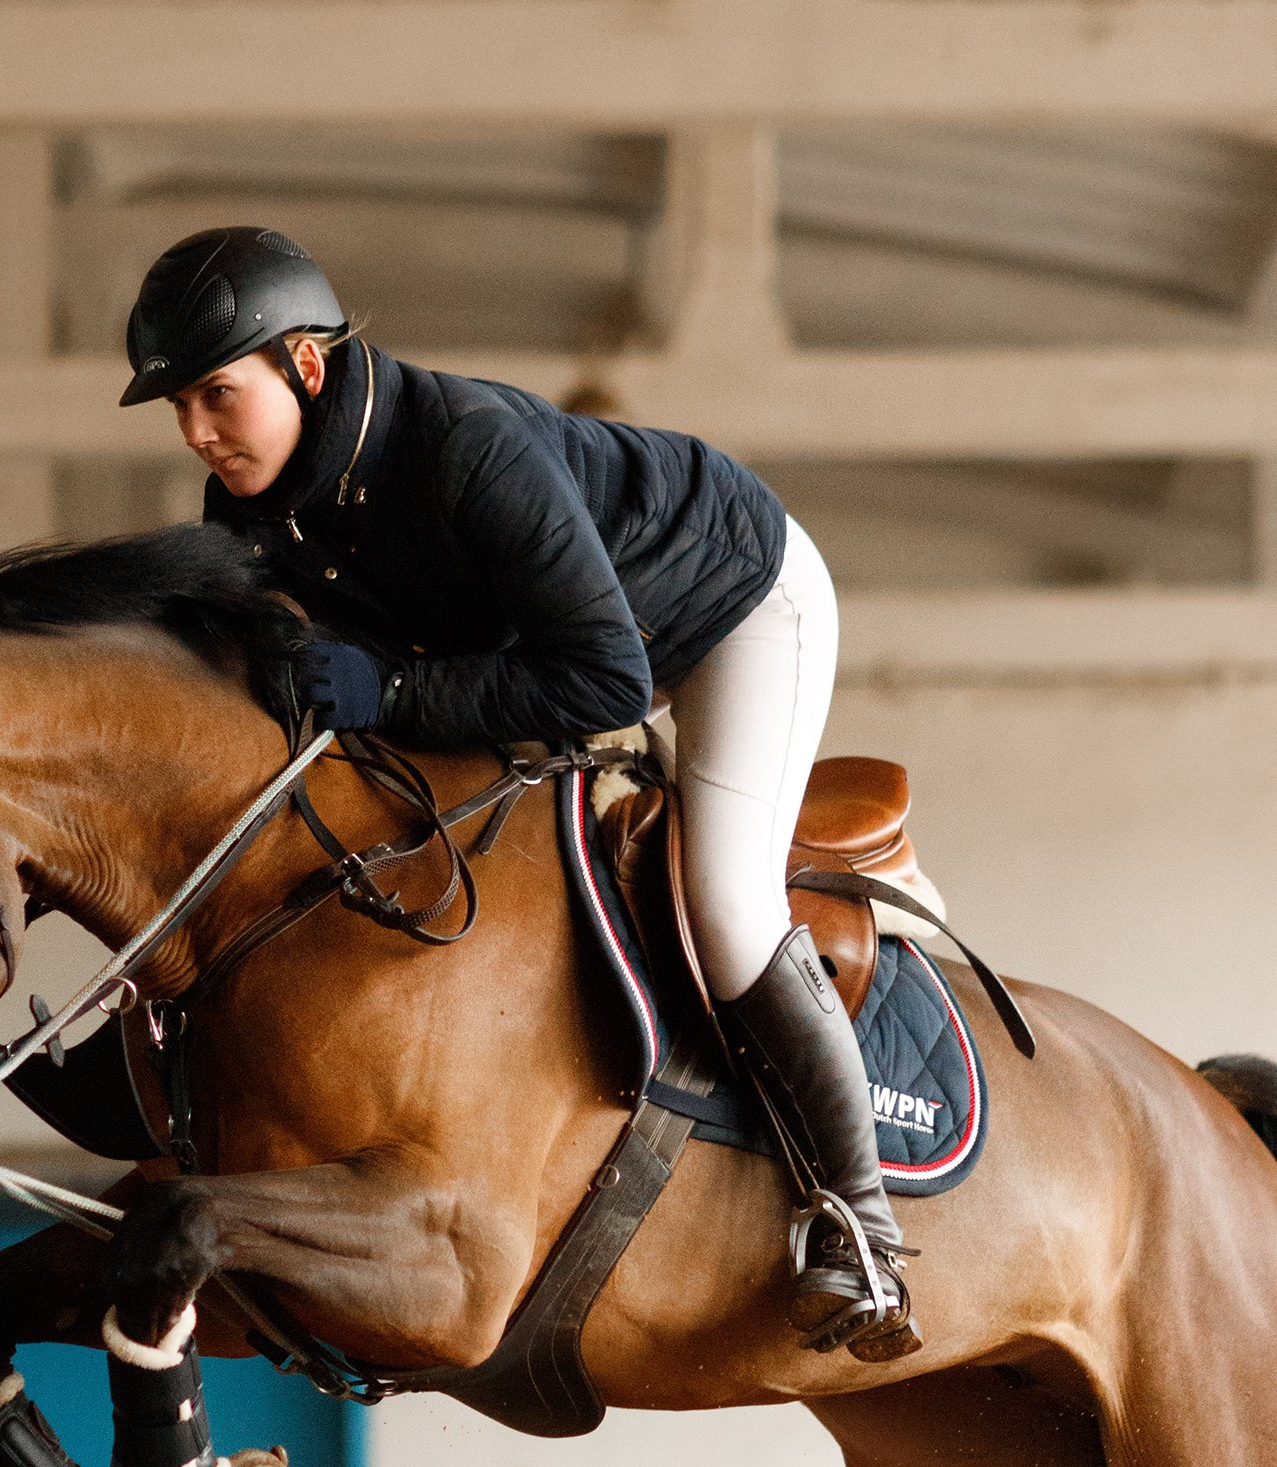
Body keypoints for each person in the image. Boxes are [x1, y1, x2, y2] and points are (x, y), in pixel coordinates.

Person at [118, 227, 914, 1360]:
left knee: (724, 898)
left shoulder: (464, 449)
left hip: (727, 608)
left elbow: (606, 683)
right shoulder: (245, 511)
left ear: (305, 364)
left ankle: (861, 1228)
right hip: (549, 641)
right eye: (179, 407)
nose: (197, 431)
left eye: (215, 395)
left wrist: (392, 687)